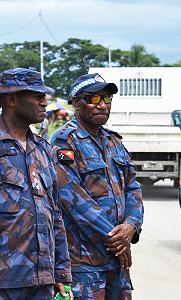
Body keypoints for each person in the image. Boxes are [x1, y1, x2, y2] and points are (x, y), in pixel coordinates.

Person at [0, 68, 72, 300]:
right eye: (37, 96)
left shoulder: (43, 149)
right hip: (0, 282)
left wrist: (61, 272)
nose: (44, 102)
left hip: (42, 281)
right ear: (12, 99)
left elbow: (54, 215)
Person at [49, 73, 144, 300]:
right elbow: (72, 198)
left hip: (116, 259)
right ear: (76, 103)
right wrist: (116, 239)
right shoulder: (64, 141)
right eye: (93, 99)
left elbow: (133, 187)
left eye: (107, 99)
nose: (102, 105)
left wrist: (131, 226)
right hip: (83, 261)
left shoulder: (114, 141)